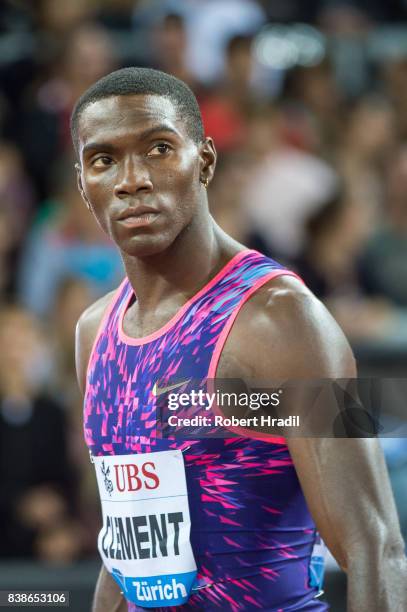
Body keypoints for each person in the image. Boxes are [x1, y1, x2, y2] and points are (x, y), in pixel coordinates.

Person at [71, 67, 407, 611]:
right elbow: (127, 551)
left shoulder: (284, 320)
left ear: (204, 160)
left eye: (158, 148)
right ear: (84, 185)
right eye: (104, 159)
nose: (131, 179)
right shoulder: (95, 332)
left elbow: (375, 545)